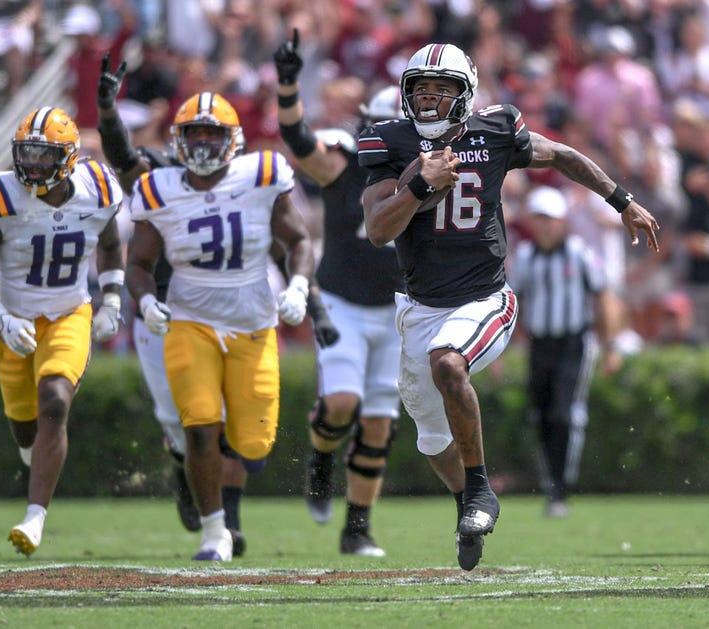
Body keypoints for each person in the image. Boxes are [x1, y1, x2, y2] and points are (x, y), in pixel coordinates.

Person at [358, 43, 660, 571]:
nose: (429, 100)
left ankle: (480, 491)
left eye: (442, 90)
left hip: (484, 296)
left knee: (449, 364)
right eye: (421, 90)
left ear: (465, 94)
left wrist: (623, 201)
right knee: (432, 438)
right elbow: (379, 229)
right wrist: (419, 185)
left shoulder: (495, 129)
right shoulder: (390, 140)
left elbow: (563, 155)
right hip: (420, 305)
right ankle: (467, 506)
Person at [125, 90, 315, 562]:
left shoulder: (263, 174)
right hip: (191, 322)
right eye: (196, 133)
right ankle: (215, 533)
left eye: (214, 132)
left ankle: (226, 467)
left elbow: (297, 239)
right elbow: (139, 262)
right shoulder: (160, 187)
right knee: (199, 429)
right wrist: (146, 298)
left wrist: (298, 288)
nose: (205, 142)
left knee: (253, 446)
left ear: (234, 139)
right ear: (179, 139)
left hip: (252, 322)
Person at [0, 106, 124, 556]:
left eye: (43, 155)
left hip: (69, 313)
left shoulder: (99, 190)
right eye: (26, 153)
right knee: (26, 431)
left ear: (69, 158)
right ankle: (37, 463)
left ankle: (34, 518)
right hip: (13, 321)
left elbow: (110, 246)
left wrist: (111, 300)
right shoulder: (0, 195)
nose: (32, 164)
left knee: (54, 400)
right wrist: (1, 318)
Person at [274, 30, 403, 557]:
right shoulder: (347, 163)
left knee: (378, 424)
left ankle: (358, 527)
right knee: (343, 404)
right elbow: (300, 141)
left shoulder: (438, 173)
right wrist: (288, 86)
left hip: (398, 309)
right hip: (345, 303)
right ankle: (322, 457)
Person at [509, 186, 620, 518]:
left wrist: (610, 345)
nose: (544, 227)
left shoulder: (579, 253)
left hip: (573, 343)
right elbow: (515, 302)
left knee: (563, 412)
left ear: (562, 222)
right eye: (539, 219)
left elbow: (602, 298)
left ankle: (560, 485)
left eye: (550, 220)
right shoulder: (526, 257)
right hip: (539, 344)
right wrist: (499, 351)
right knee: (541, 414)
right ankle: (551, 480)